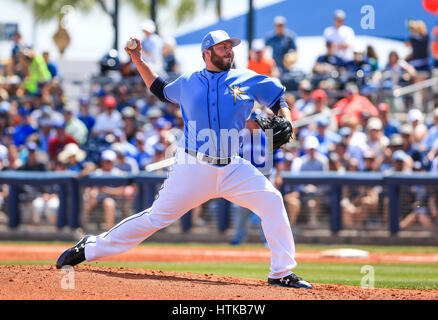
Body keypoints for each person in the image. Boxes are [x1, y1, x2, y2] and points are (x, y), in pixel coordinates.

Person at [56, 30, 312, 289]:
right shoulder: (189, 80)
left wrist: (287, 120)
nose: (229, 50)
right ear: (207, 53)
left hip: (232, 166)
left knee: (272, 200)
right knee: (155, 218)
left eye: (230, 47)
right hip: (193, 167)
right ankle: (89, 248)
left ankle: (281, 273)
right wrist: (137, 59)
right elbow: (160, 90)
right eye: (222, 47)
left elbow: (279, 97)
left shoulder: (246, 78)